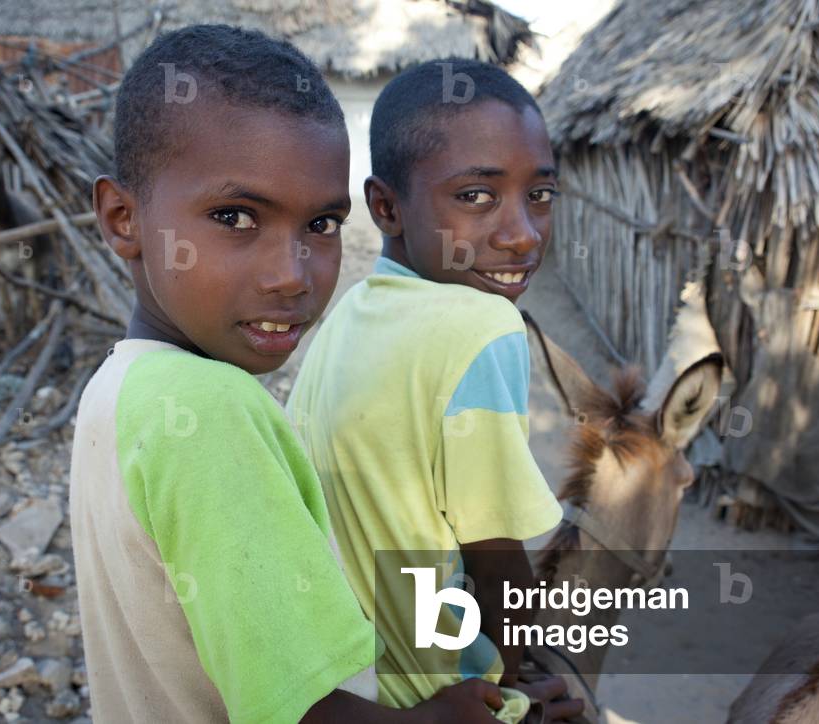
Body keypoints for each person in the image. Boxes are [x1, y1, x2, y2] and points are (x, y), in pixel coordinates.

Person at [71, 27, 512, 723]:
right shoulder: (210, 410)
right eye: (235, 216)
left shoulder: (121, 388)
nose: (292, 275)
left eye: (322, 224)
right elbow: (307, 713)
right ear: (123, 219)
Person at [287, 58, 585, 721]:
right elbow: (497, 565)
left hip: (348, 684)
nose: (523, 234)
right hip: (438, 698)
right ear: (387, 206)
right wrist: (516, 688)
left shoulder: (349, 316)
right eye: (476, 196)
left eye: (540, 194)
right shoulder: (481, 323)